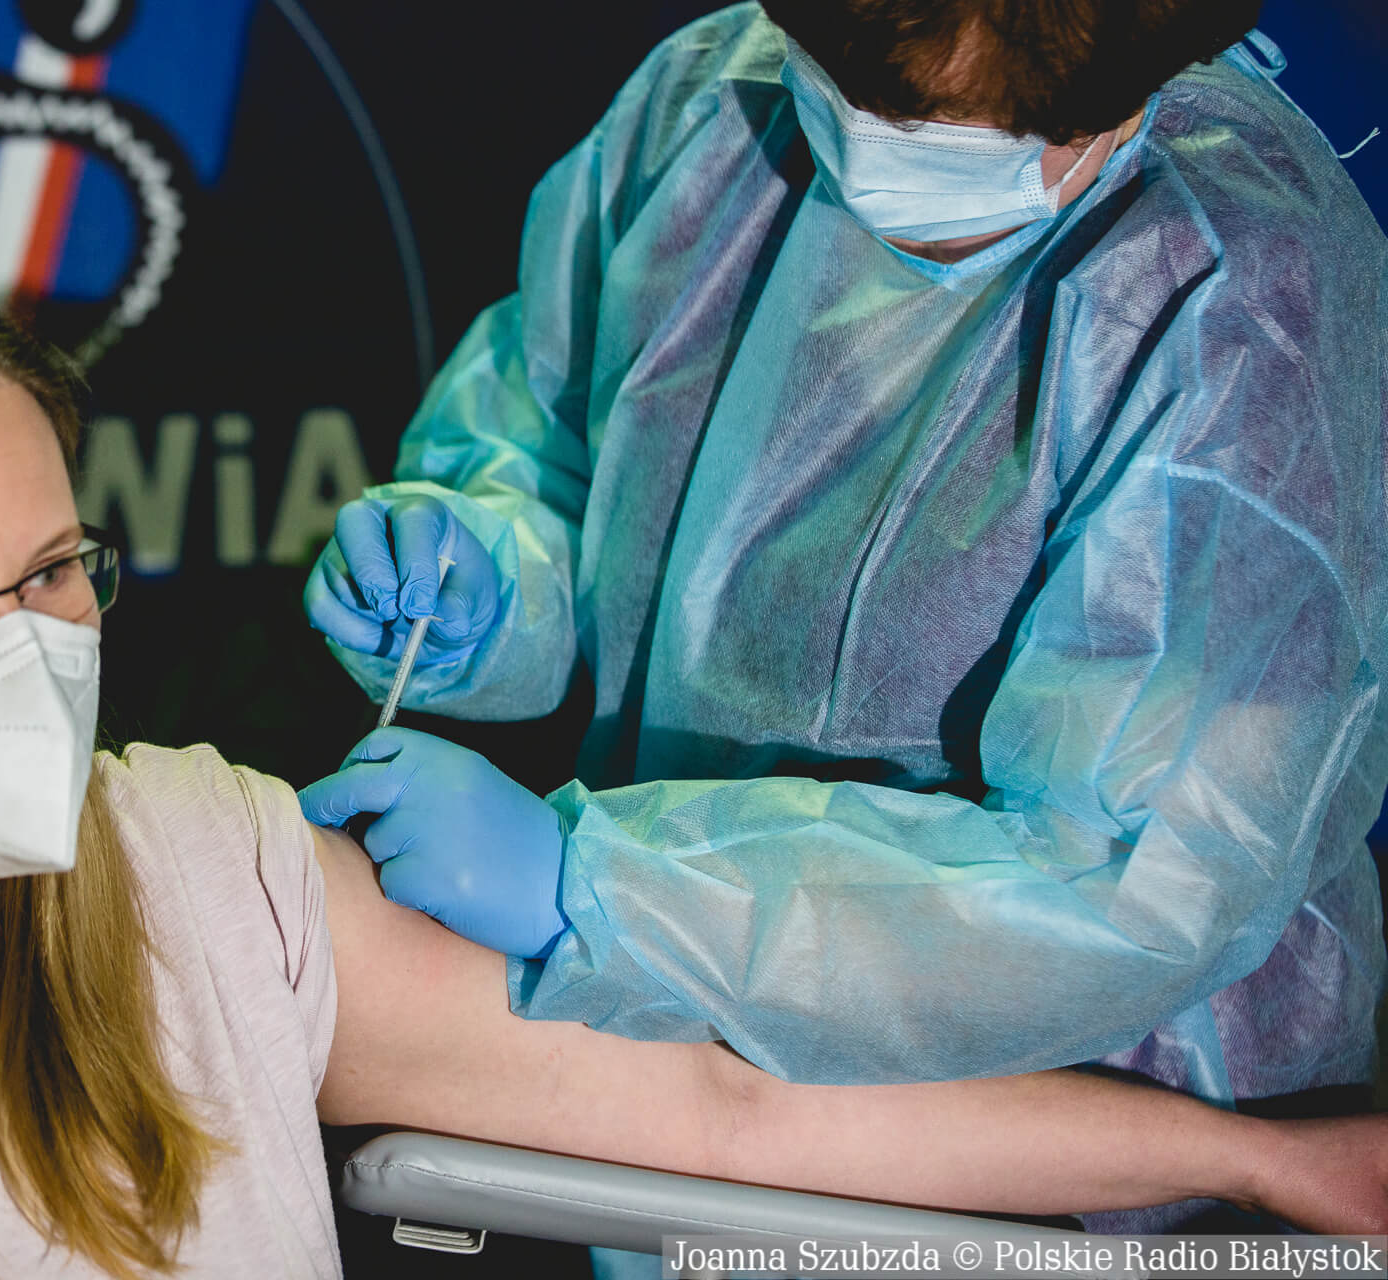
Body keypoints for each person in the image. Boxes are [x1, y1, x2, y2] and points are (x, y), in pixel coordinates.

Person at [0, 262, 1386, 1279]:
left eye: (53, 575)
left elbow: (730, 1106)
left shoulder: (192, 873)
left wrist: (1255, 1160)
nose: (23, 658)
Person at [298, 0, 1388, 1249]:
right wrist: (486, 577)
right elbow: (552, 446)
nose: (889, 156)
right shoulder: (716, 101)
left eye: (974, 132)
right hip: (675, 1071)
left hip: (1079, 1147)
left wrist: (604, 887)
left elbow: (1128, 880)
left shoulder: (1240, 295)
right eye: (869, 101)